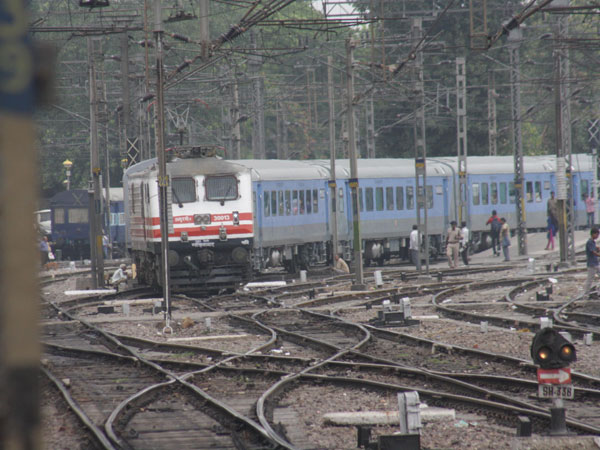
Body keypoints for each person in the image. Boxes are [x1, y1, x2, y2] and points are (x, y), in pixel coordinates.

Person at [585, 227, 600, 296]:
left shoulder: (592, 242)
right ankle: (586, 293)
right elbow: (593, 252)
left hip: (595, 263)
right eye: (597, 234)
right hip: (591, 264)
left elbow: (595, 248)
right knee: (590, 279)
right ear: (593, 234)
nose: (597, 236)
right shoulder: (589, 242)